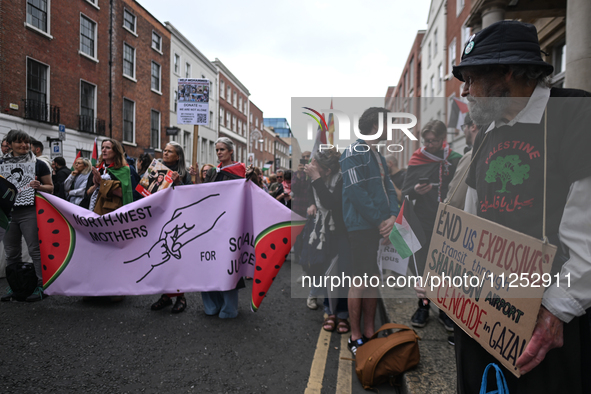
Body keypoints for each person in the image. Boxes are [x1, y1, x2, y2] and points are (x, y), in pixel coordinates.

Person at [449, 20, 591, 393]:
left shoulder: (576, 113)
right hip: (489, 314)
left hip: (551, 326)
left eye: (471, 77)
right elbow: (473, 221)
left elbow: (587, 235)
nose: (465, 90)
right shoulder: (489, 132)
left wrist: (556, 311)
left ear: (506, 73)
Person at [340, 107, 399, 355]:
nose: (392, 129)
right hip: (362, 227)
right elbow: (356, 192)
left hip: (378, 226)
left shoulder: (378, 156)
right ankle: (355, 337)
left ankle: (368, 331)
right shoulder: (353, 152)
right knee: (360, 280)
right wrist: (380, 221)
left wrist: (393, 217)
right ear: (376, 125)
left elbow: (390, 190)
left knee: (373, 279)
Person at [402, 120, 461, 331]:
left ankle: (445, 309)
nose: (430, 144)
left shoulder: (454, 159)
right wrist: (416, 190)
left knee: (446, 268)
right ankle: (423, 305)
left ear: (443, 138)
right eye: (427, 141)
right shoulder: (418, 158)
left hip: (448, 223)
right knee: (423, 266)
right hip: (423, 221)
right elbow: (405, 191)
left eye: (434, 140)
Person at [0, 129, 53, 302]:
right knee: (11, 251)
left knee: (34, 250)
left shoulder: (38, 164)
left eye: (26, 142)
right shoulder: (1, 164)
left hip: (29, 210)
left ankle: (41, 285)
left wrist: (39, 186)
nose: (24, 145)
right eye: (19, 142)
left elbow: (50, 187)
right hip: (8, 213)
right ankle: (15, 285)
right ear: (9, 144)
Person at [303, 148, 351, 334]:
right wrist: (312, 203)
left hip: (340, 231)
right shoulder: (318, 177)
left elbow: (331, 203)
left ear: (328, 171)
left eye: (316, 165)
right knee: (326, 273)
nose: (311, 166)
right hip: (323, 231)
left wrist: (315, 179)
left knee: (342, 274)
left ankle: (343, 315)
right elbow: (312, 191)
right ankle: (330, 312)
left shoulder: (341, 180)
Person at [202, 137, 246, 318]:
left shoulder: (241, 172)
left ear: (230, 152)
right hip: (209, 223)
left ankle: (229, 307)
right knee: (207, 263)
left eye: (222, 149)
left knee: (227, 265)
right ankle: (211, 305)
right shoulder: (213, 171)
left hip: (228, 223)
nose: (218, 152)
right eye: (217, 149)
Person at [150, 141, 192, 314]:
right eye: (164, 150)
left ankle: (180, 297)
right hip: (158, 218)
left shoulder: (184, 174)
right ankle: (166, 296)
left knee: (175, 259)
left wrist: (179, 183)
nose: (165, 153)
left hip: (176, 222)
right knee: (161, 258)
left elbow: (190, 197)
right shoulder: (155, 168)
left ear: (178, 156)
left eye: (170, 151)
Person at [291, 151, 311, 217]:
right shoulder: (297, 173)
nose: (305, 158)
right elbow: (294, 189)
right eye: (303, 157)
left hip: (310, 207)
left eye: (307, 156)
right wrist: (299, 174)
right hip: (299, 207)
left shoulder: (315, 172)